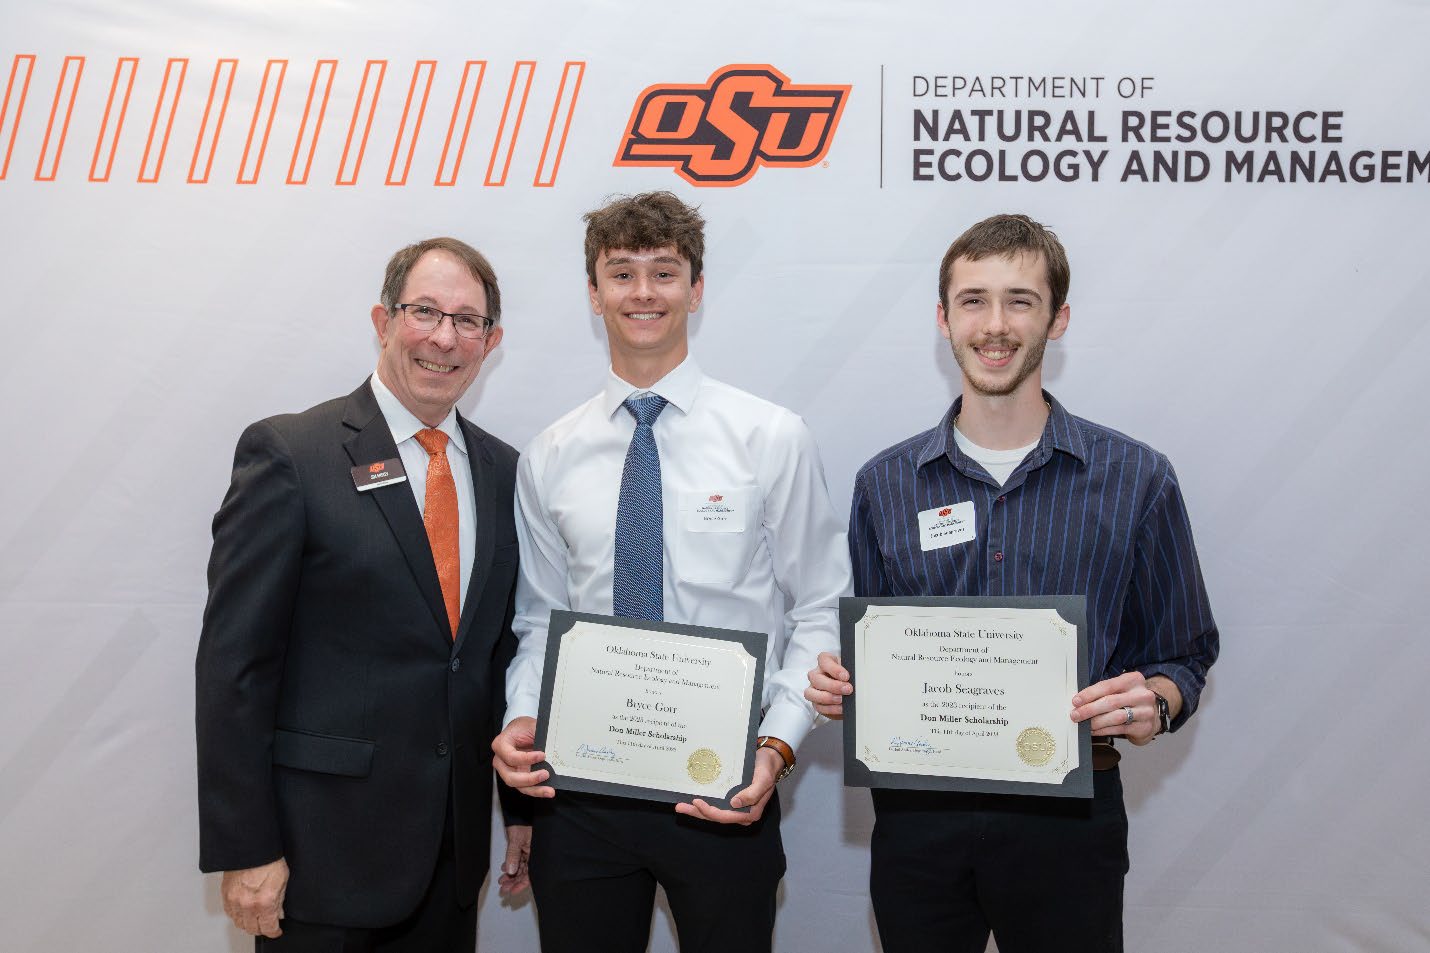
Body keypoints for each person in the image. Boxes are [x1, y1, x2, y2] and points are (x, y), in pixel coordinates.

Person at [806, 213, 1219, 953]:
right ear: (943, 318)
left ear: (1058, 319)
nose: (995, 324)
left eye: (1020, 300)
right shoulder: (885, 483)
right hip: (919, 819)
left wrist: (1158, 700)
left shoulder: (1137, 478)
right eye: (973, 300)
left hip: (1071, 818)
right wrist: (847, 687)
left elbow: (1184, 650)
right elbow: (869, 652)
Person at [491, 191, 851, 953]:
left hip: (725, 783)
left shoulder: (770, 437)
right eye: (622, 273)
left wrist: (776, 747)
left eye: (664, 271)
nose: (644, 292)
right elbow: (537, 620)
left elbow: (821, 604)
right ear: (594, 293)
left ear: (697, 287)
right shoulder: (550, 454)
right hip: (579, 790)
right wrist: (523, 715)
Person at [196, 237, 530, 951]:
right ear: (383, 321)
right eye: (425, 312)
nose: (445, 337)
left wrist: (519, 809)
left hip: (451, 854)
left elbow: (495, 657)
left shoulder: (505, 472)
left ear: (491, 341)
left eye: (467, 320)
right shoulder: (292, 453)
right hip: (321, 861)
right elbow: (235, 666)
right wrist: (247, 845)